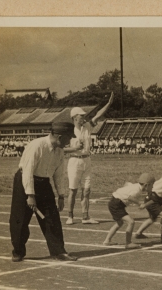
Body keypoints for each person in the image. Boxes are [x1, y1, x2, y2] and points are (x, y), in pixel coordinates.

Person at [9, 122, 77, 262]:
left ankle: (59, 251)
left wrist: (61, 195)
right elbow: (27, 172)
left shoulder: (59, 151)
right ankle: (18, 251)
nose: (70, 141)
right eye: (69, 138)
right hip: (24, 182)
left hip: (44, 183)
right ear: (59, 137)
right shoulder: (36, 146)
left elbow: (58, 174)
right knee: (20, 220)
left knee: (52, 218)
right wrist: (30, 195)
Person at [65, 93, 114, 225]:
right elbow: (62, 149)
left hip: (87, 160)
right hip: (74, 161)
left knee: (86, 190)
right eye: (81, 115)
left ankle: (85, 217)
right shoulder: (68, 131)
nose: (84, 117)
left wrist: (108, 104)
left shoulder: (87, 126)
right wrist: (74, 149)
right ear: (75, 117)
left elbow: (98, 115)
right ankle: (70, 216)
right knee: (73, 190)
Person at [103, 173, 156, 249]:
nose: (152, 187)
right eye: (152, 185)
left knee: (119, 223)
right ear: (146, 185)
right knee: (131, 222)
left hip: (115, 202)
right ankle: (128, 243)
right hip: (116, 204)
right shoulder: (137, 190)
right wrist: (139, 203)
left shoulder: (136, 186)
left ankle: (107, 240)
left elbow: (127, 184)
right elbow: (130, 197)